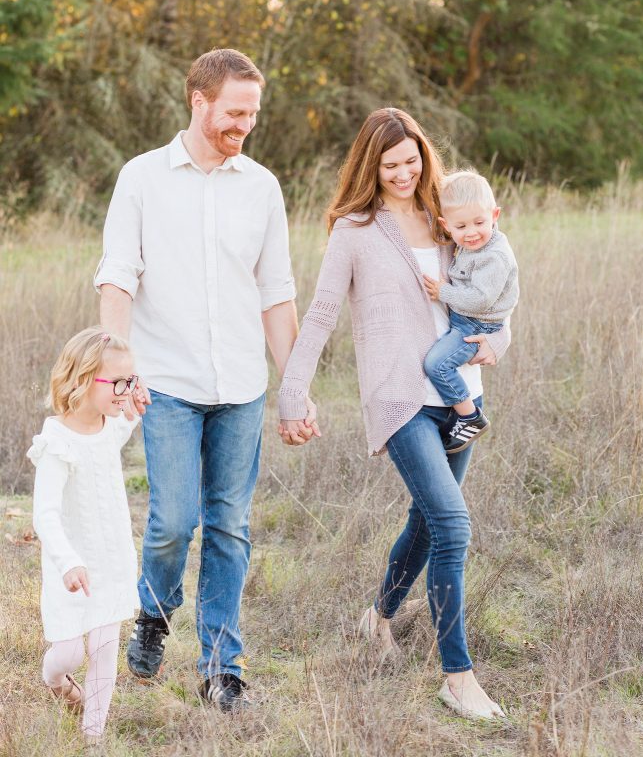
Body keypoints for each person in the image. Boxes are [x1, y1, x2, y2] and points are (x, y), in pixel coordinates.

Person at [94, 48, 317, 712]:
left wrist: (294, 385)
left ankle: (223, 668)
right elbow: (117, 278)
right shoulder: (141, 179)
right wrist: (118, 366)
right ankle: (155, 613)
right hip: (163, 383)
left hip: (242, 387)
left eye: (252, 114)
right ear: (198, 100)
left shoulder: (261, 187)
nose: (244, 125)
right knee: (173, 522)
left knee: (229, 526)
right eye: (233, 113)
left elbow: (276, 294)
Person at [278, 107, 510, 720]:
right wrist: (292, 391)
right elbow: (323, 312)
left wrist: (499, 343)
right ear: (370, 166)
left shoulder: (449, 217)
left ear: (423, 157)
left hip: (462, 392)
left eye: (412, 160)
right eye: (390, 164)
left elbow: (499, 292)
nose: (404, 172)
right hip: (399, 399)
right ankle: (457, 678)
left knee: (429, 521)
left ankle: (379, 617)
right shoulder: (354, 230)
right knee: (453, 526)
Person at [28, 326, 140, 745]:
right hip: (71, 569)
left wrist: (133, 406)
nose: (125, 391)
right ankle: (54, 678)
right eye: (118, 383)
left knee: (106, 647)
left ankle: (93, 736)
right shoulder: (57, 441)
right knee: (71, 653)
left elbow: (126, 422)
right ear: (81, 379)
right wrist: (68, 560)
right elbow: (45, 513)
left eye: (131, 381)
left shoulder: (112, 426)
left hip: (111, 559)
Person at [423, 169, 518, 454]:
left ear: (495, 215)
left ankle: (469, 416)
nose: (472, 232)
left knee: (437, 364)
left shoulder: (494, 256)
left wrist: (443, 292)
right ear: (446, 225)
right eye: (461, 227)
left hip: (476, 326)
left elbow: (480, 299)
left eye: (480, 222)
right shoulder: (467, 241)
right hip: (467, 321)